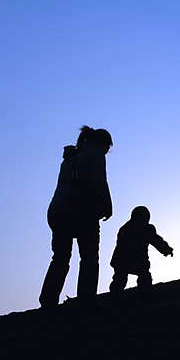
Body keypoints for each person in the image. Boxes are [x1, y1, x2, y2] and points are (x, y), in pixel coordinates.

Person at [39, 126, 113, 308]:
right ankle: (86, 299)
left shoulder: (70, 158)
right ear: (103, 143)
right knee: (89, 258)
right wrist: (107, 206)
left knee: (60, 258)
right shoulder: (95, 154)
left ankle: (48, 301)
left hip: (58, 211)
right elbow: (98, 181)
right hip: (82, 210)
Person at [109, 206, 173, 292]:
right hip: (131, 259)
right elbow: (156, 240)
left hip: (124, 260)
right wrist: (166, 249)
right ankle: (143, 294)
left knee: (122, 277)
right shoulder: (145, 228)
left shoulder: (125, 228)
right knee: (140, 276)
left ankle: (116, 294)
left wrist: (166, 249)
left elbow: (156, 241)